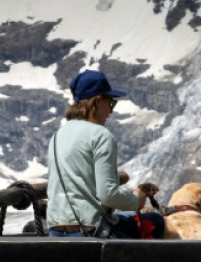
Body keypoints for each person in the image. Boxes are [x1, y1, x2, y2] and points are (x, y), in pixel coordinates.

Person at [46, 69, 165, 238]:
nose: (111, 111)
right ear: (98, 101)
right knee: (155, 221)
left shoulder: (57, 136)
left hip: (56, 231)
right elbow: (107, 194)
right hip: (90, 231)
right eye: (111, 102)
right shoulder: (100, 135)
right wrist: (135, 200)